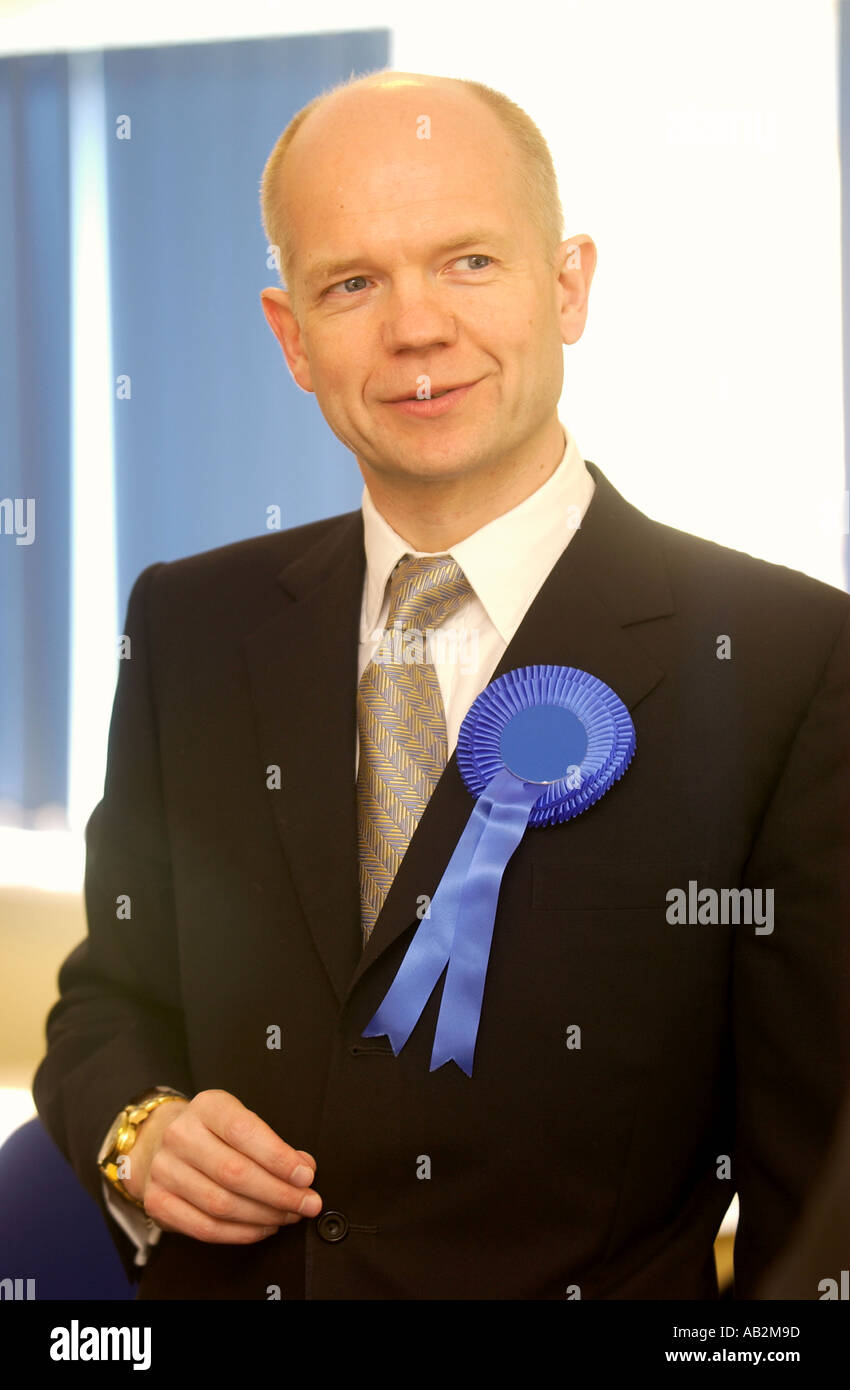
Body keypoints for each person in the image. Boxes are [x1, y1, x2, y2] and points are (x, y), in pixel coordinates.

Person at [33, 69, 850, 1300]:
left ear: (566, 285)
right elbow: (110, 995)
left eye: (468, 261)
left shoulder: (789, 659)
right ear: (290, 334)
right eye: (352, 283)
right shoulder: (191, 622)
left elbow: (819, 1186)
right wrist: (137, 1131)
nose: (415, 328)